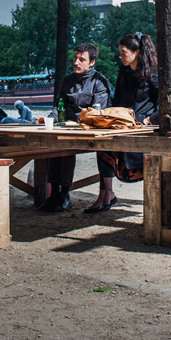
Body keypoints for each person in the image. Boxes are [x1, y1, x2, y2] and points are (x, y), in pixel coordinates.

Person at [87, 32, 158, 214]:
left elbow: (164, 103)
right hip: (123, 124)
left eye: (123, 52)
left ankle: (149, 201)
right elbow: (117, 100)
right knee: (102, 144)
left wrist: (151, 119)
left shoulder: (154, 73)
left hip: (145, 127)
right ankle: (106, 194)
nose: (120, 56)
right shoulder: (123, 72)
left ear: (138, 52)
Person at [39, 43, 111, 212]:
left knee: (66, 147)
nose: (76, 62)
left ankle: (64, 193)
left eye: (82, 59)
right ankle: (54, 193)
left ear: (92, 62)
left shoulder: (100, 82)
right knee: (52, 145)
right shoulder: (67, 80)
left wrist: (78, 122)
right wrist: (48, 119)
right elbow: (58, 107)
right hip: (66, 128)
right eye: (75, 58)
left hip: (89, 131)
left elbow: (97, 113)